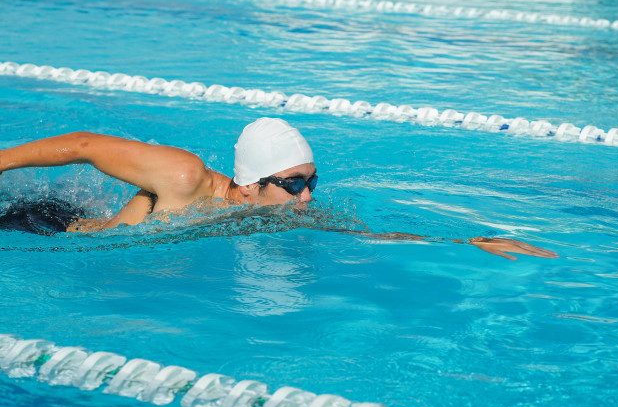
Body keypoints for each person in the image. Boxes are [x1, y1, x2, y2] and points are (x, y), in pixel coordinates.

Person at [0, 117, 557, 260]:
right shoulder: (185, 178)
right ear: (249, 182)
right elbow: (83, 144)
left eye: (311, 183)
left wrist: (465, 244)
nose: (307, 198)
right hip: (39, 223)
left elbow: (367, 235)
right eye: (293, 185)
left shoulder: (282, 212)